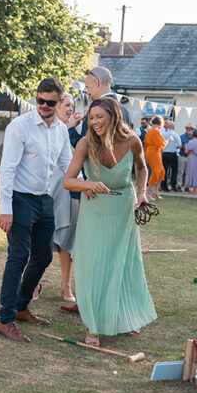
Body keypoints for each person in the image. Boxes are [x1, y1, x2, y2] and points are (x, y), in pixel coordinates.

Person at [64, 97, 156, 346]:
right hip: (94, 210)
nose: (94, 122)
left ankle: (127, 316)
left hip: (124, 207)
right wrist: (89, 183)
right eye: (91, 118)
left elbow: (142, 168)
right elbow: (68, 180)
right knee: (92, 265)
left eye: (99, 117)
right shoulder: (85, 143)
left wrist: (143, 193)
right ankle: (92, 326)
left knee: (124, 262)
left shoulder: (133, 141)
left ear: (113, 117)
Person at [0, 77, 72, 343]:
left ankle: (21, 306)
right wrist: (6, 209)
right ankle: (5, 320)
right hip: (19, 200)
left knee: (43, 257)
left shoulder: (60, 130)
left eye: (50, 102)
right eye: (40, 100)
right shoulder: (20, 126)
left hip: (44, 200)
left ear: (60, 102)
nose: (44, 106)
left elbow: (67, 165)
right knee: (18, 256)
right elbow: (8, 169)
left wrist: (84, 186)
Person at [52, 93, 82, 305]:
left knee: (67, 235)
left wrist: (72, 129)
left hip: (70, 186)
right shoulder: (49, 127)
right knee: (43, 235)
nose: (70, 109)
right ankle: (35, 283)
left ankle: (66, 283)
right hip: (49, 186)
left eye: (72, 105)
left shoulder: (77, 130)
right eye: (67, 105)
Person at [143, 116, 166, 201]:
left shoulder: (149, 131)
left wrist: (146, 154)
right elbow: (162, 144)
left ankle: (155, 192)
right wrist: (168, 140)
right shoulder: (155, 132)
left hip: (152, 152)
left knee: (161, 171)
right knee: (156, 172)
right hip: (154, 152)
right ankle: (148, 193)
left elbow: (145, 144)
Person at [162, 120, 182, 192]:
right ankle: (173, 185)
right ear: (173, 127)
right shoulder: (176, 135)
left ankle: (164, 186)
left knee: (165, 170)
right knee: (174, 171)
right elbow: (179, 146)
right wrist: (174, 146)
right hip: (173, 154)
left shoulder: (163, 134)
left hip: (164, 154)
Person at [178, 123, 194, 191]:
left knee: (188, 172)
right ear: (186, 129)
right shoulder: (181, 136)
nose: (189, 130)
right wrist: (183, 146)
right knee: (180, 171)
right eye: (188, 128)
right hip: (182, 155)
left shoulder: (194, 138)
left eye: (191, 129)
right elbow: (178, 146)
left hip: (190, 157)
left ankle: (186, 186)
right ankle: (178, 185)